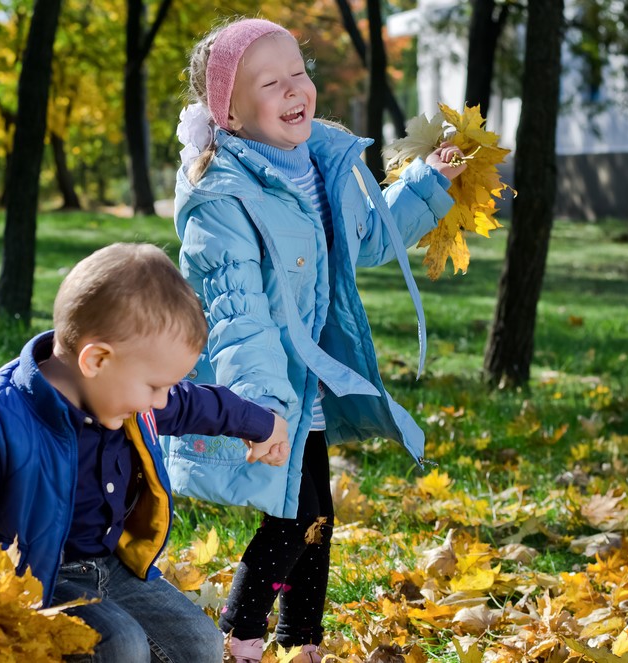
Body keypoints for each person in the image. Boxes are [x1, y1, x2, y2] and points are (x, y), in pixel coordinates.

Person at [164, 18, 467, 663]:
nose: (294, 88)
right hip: (268, 383)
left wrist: (430, 181)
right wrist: (260, 407)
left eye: (298, 72)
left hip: (310, 382)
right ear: (232, 113)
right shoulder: (222, 199)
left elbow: (374, 236)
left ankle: (302, 643)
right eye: (270, 82)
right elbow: (237, 315)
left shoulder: (322, 163)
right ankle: (241, 637)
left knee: (315, 517)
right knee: (296, 517)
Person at [0, 242, 290, 663]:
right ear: (96, 359)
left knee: (198, 642)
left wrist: (262, 423)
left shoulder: (122, 394)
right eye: (155, 386)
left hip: (106, 566)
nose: (161, 402)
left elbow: (193, 402)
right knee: (121, 645)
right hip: (28, 584)